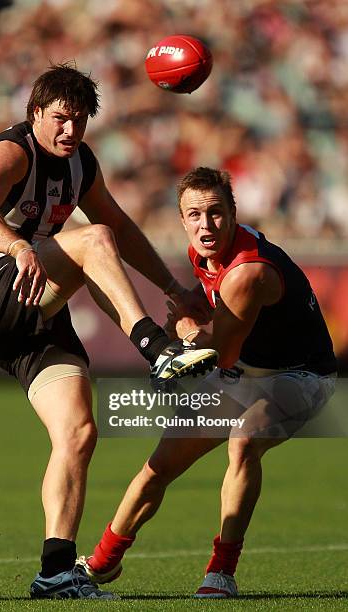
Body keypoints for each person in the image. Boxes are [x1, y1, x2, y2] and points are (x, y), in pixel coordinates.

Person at [0, 67, 218, 600]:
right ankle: (156, 350)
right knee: (91, 240)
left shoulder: (81, 163)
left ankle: (54, 572)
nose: (70, 131)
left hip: (36, 312)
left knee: (78, 433)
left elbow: (119, 227)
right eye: (60, 119)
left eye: (79, 120)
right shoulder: (9, 152)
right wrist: (18, 247)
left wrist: (173, 289)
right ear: (35, 114)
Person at [79, 167, 337, 598]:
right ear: (182, 219)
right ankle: (101, 563)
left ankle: (222, 571)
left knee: (244, 439)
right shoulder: (203, 250)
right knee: (160, 465)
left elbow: (223, 352)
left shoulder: (248, 270)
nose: (205, 225)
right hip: (244, 370)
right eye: (194, 214)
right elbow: (221, 331)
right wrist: (196, 321)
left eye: (215, 213)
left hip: (301, 374)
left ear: (233, 214)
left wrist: (184, 331)